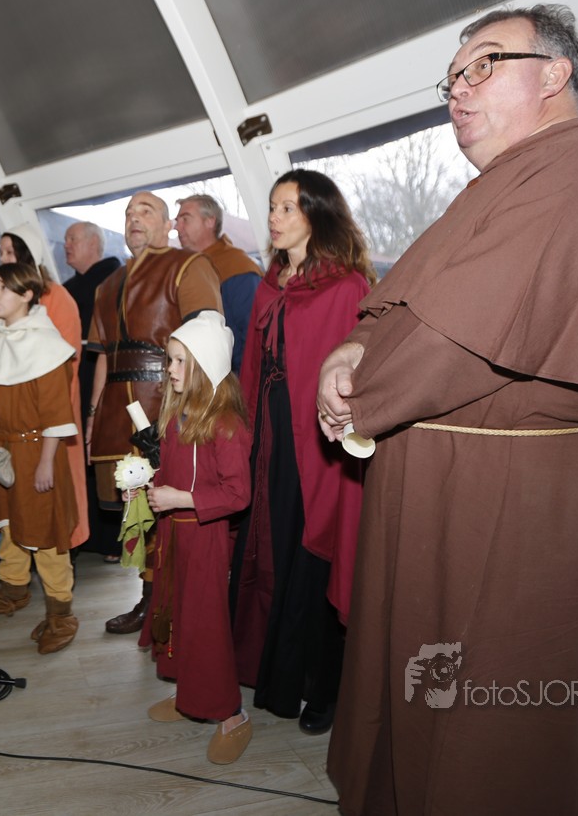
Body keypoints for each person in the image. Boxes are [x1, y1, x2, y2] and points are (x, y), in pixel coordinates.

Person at [317, 5, 578, 815]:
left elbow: (452, 338)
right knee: (418, 687)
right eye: (451, 78)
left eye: (483, 64)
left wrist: (357, 399)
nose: (458, 89)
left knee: (487, 717)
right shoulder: (498, 185)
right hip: (437, 475)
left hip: (502, 492)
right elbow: (400, 308)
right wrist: (349, 350)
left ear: (554, 74)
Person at [230, 170, 373, 738]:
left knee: (316, 556)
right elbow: (252, 367)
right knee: (271, 551)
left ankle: (324, 687)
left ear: (317, 215)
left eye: (287, 207)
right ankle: (274, 674)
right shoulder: (270, 285)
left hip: (317, 444)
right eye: (272, 207)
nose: (274, 217)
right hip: (270, 437)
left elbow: (360, 372)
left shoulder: (346, 287)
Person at [86, 190, 222, 633]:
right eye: (129, 212)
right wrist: (93, 414)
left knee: (170, 505)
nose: (135, 217)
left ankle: (172, 604)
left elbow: (206, 339)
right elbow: (103, 358)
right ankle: (152, 599)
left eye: (147, 211)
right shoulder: (106, 286)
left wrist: (194, 409)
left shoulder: (188, 265)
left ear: (168, 226)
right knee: (138, 512)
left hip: (167, 398)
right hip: (116, 408)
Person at [136, 311, 253, 764]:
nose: (170, 369)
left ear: (205, 367)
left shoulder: (226, 424)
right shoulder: (176, 415)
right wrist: (146, 485)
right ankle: (190, 694)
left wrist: (180, 498)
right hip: (173, 535)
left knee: (205, 626)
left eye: (180, 361)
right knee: (175, 614)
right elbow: (169, 470)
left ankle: (231, 714)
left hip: (205, 539)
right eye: (170, 359)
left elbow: (237, 494)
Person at [0, 262, 81, 654]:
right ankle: (13, 591)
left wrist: (47, 462)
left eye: (3, 288)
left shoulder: (46, 346)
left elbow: (56, 414)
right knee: (8, 527)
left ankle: (61, 614)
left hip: (36, 451)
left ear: (27, 295)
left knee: (46, 535)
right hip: (3, 447)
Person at [0, 223, 89, 552]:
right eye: (1, 252)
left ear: (26, 256)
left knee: (59, 480)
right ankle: (22, 552)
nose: (3, 259)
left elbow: (68, 360)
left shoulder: (57, 297)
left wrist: (54, 412)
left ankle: (65, 546)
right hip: (18, 411)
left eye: (10, 252)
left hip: (52, 407)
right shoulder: (4, 299)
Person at [63, 221, 123, 559]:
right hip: (75, 376)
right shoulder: (68, 288)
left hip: (104, 374)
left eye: (73, 239)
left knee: (103, 452)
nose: (66, 245)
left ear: (94, 244)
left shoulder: (114, 278)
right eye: (66, 239)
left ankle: (112, 539)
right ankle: (83, 533)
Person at [174, 195, 261, 371]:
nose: (177, 227)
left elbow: (255, 335)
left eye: (185, 219)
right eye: (177, 221)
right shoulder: (182, 270)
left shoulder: (236, 266)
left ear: (210, 222)